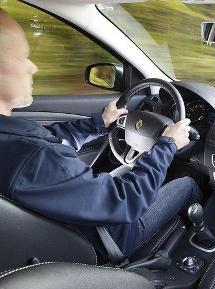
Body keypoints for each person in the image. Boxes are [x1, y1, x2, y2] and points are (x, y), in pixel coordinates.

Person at [0, 9, 201, 258]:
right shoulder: (35, 158)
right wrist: (168, 144)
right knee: (189, 184)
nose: (34, 67)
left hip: (70, 228)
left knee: (129, 169)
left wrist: (99, 123)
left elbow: (49, 138)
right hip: (108, 239)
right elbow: (127, 201)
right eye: (21, 58)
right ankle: (205, 240)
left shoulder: (14, 141)